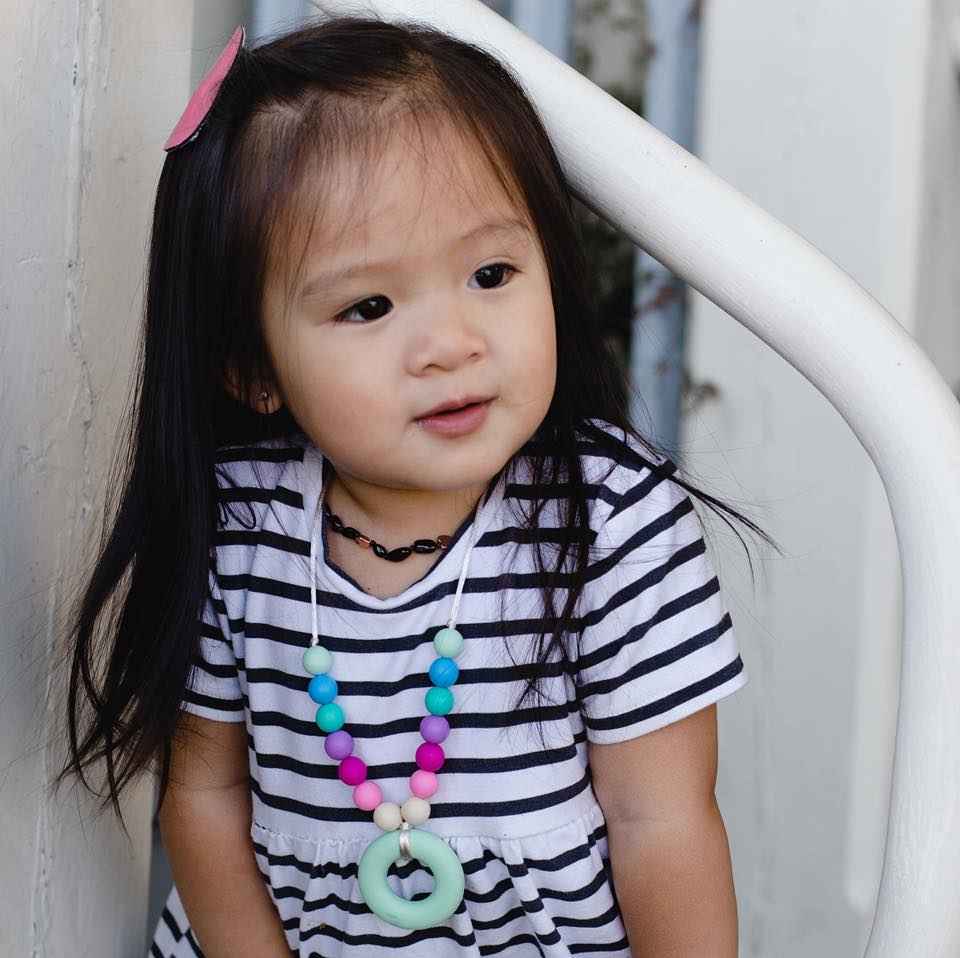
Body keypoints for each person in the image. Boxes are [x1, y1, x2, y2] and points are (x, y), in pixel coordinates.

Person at [53, 14, 780, 958]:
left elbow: (664, 822)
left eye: (490, 273)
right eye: (369, 305)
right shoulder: (241, 525)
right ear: (252, 367)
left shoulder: (610, 521)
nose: (452, 344)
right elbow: (205, 796)